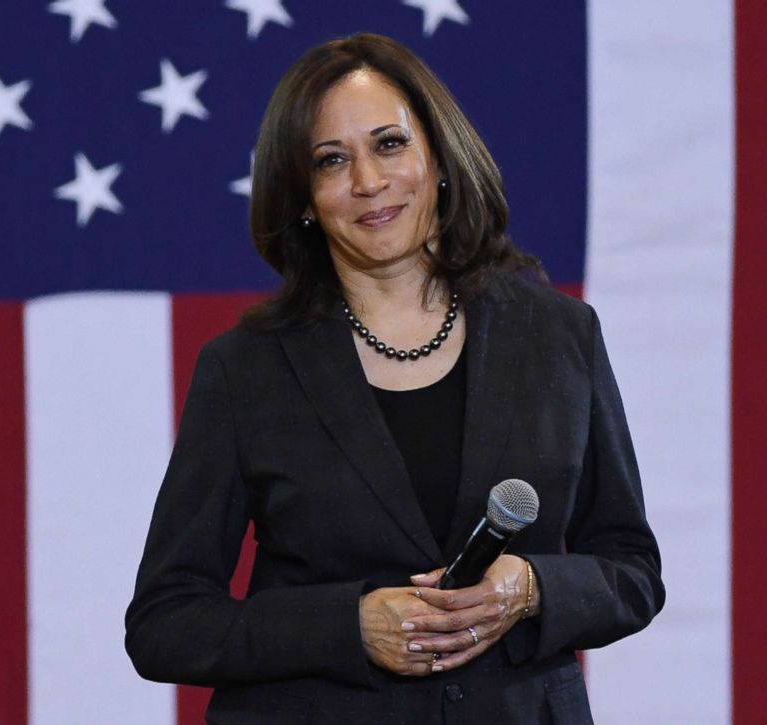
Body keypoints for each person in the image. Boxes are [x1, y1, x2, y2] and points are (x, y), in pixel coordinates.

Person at [125, 33, 663, 724]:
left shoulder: (560, 336)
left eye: (388, 144)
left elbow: (632, 571)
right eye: (330, 161)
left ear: (437, 157)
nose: (368, 182)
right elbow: (166, 622)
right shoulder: (244, 369)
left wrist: (530, 587)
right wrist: (348, 626)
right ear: (304, 199)